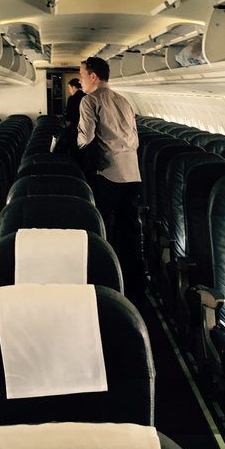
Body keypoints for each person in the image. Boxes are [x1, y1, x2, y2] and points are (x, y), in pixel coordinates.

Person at [77, 56, 145, 297]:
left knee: (103, 229)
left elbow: (85, 139)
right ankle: (136, 287)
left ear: (93, 76)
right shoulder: (124, 100)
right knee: (131, 231)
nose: (81, 80)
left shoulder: (89, 100)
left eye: (82, 75)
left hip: (108, 174)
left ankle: (107, 283)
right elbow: (134, 137)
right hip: (132, 173)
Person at [56, 75, 84, 157]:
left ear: (74, 87)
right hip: (85, 128)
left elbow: (68, 116)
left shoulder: (72, 98)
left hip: (74, 128)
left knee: (74, 150)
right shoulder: (87, 97)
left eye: (70, 88)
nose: (69, 91)